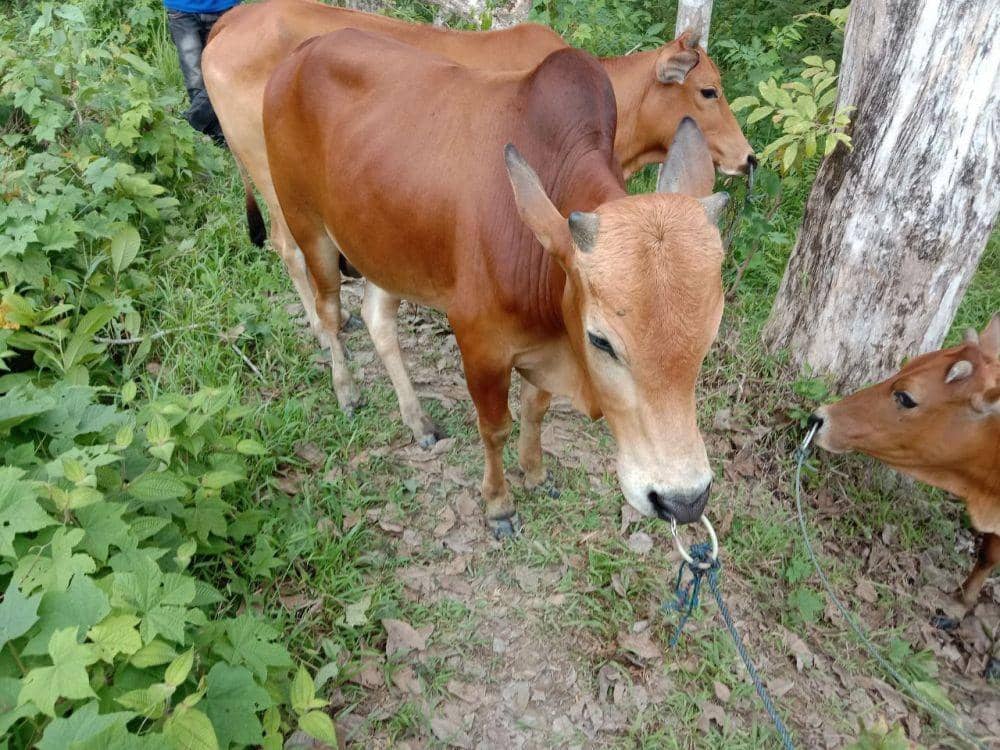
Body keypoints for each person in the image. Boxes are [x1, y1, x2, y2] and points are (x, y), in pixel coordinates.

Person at [163, 0, 239, 145]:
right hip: (182, 10)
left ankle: (189, 124)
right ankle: (217, 135)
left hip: (225, 8)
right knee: (195, 81)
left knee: (227, 74)